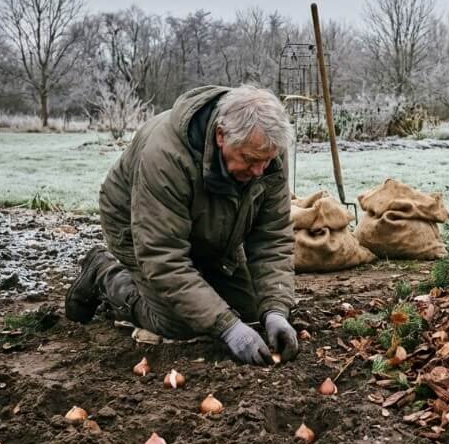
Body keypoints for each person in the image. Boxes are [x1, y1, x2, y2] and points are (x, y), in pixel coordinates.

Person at [65, 85, 298, 365]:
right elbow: (163, 256)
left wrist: (275, 311)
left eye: (267, 161)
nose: (260, 171)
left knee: (248, 311)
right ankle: (103, 274)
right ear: (221, 136)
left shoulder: (265, 151)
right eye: (249, 160)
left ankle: (207, 286)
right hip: (136, 224)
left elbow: (272, 237)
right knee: (182, 323)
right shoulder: (166, 156)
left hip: (212, 225)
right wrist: (227, 327)